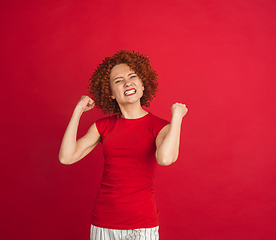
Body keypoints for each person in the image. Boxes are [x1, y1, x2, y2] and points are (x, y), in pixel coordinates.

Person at [59, 50, 188, 240]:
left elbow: (166, 158)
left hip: (142, 223)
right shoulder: (102, 126)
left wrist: (177, 117)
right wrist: (78, 111)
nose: (127, 82)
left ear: (143, 85)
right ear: (110, 93)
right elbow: (66, 157)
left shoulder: (159, 127)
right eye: (118, 80)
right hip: (103, 220)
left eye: (132, 76)